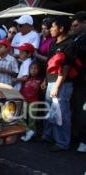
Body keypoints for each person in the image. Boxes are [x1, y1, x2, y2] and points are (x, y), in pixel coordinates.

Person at [41, 16, 76, 152]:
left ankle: (62, 143)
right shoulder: (54, 43)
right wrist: (45, 80)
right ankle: (48, 136)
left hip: (62, 84)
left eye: (53, 26)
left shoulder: (70, 44)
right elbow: (49, 64)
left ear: (61, 28)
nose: (50, 29)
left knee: (61, 114)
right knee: (49, 111)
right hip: (51, 81)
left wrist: (56, 85)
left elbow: (66, 68)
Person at [70, 11, 86, 152]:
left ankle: (84, 140)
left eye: (76, 25)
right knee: (77, 109)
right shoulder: (76, 38)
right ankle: (77, 136)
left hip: (83, 80)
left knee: (82, 111)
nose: (73, 28)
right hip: (75, 79)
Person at [20, 62, 43, 142]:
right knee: (20, 117)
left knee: (32, 120)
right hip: (25, 100)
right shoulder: (26, 79)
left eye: (35, 68)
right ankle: (28, 131)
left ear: (39, 70)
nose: (33, 70)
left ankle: (32, 135)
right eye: (31, 68)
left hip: (34, 102)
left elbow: (42, 92)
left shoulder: (41, 80)